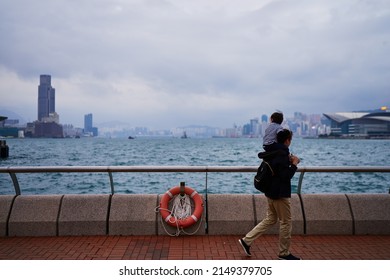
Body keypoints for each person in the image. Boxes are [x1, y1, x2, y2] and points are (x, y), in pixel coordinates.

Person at [239, 129, 301, 260]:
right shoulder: (283, 154)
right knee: (286, 222)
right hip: (280, 194)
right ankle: (284, 253)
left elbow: (277, 171)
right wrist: (294, 164)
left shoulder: (272, 152)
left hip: (270, 192)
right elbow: (285, 176)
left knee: (271, 219)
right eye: (290, 140)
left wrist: (288, 163)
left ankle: (246, 240)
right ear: (287, 140)